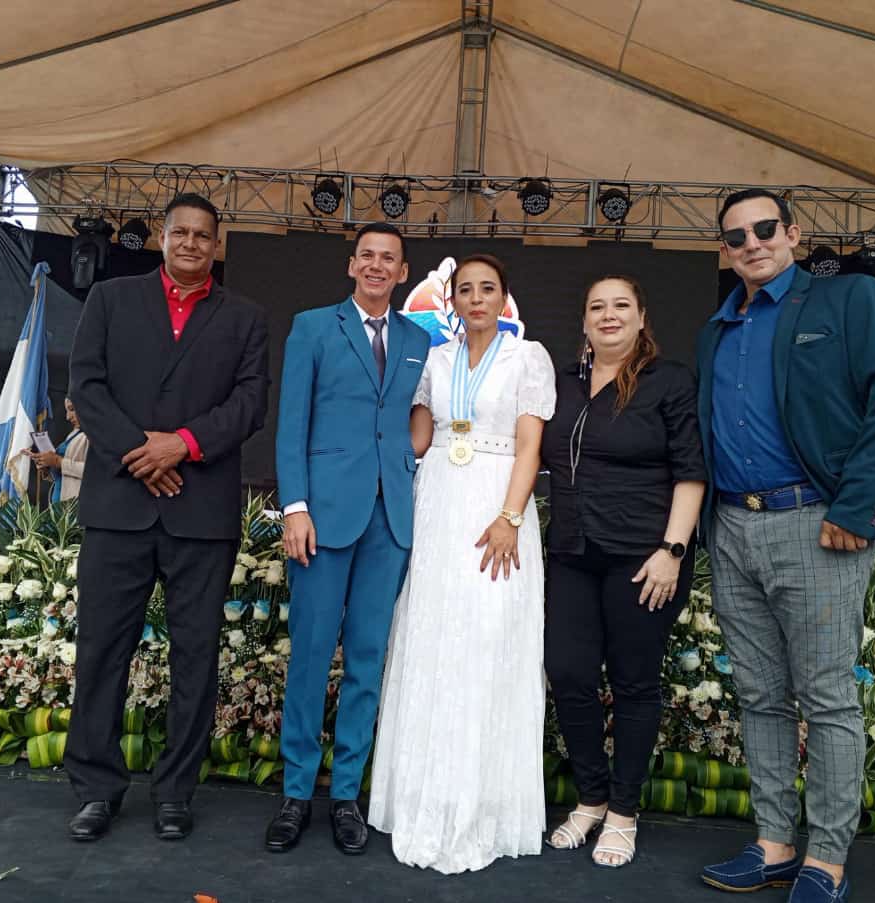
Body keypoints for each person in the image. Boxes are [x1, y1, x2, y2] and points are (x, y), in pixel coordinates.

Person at [696, 189, 875, 902]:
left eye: (765, 228)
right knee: (759, 694)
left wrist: (856, 505)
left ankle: (826, 858)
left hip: (817, 522)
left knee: (826, 698)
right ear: (725, 251)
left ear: (793, 233)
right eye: (737, 237)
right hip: (732, 526)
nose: (753, 243)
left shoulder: (847, 299)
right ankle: (774, 843)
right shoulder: (716, 327)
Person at [64, 193, 269, 842]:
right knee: (101, 652)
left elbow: (250, 404)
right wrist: (141, 451)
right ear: (161, 235)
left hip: (200, 515)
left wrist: (182, 444)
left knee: (195, 659)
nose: (190, 244)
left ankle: (176, 792)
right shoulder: (110, 299)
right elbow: (86, 387)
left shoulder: (246, 317)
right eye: (180, 232)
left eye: (202, 235)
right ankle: (97, 790)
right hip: (118, 508)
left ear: (216, 244)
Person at [369, 254, 556, 873]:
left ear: (504, 299)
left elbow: (530, 446)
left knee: (489, 639)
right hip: (439, 504)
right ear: (451, 301)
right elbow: (420, 438)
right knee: (434, 638)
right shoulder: (434, 359)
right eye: (466, 290)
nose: (476, 299)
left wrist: (509, 517)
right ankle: (425, 797)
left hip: (498, 504)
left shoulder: (527, 357)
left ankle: (486, 805)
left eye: (487, 289)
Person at [268, 222, 430, 856]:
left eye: (389, 258)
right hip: (323, 518)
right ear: (351, 264)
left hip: (390, 520)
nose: (377, 266)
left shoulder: (418, 339)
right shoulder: (313, 327)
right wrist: (295, 507)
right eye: (367, 255)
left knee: (367, 661)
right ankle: (295, 793)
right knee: (310, 657)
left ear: (403, 271)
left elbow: (419, 418)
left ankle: (345, 797)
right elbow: (292, 423)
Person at [541, 275, 706, 868]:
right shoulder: (562, 382)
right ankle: (591, 798)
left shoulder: (670, 381)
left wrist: (673, 551)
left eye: (620, 306)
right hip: (572, 553)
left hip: (644, 559)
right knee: (568, 673)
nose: (608, 315)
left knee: (635, 682)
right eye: (597, 307)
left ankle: (624, 812)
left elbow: (692, 471)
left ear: (641, 317)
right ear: (584, 321)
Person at [29, 396, 89, 502]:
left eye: (72, 409)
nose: (68, 417)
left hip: (77, 507)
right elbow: (65, 477)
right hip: (60, 506)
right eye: (67, 411)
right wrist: (47, 466)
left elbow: (96, 473)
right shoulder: (74, 434)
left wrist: (58, 461)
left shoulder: (97, 437)